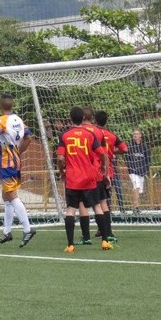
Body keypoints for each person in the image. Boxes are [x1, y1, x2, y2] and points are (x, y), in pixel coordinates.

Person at [0, 93, 36, 248]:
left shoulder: (0, 120)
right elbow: (28, 138)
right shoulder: (18, 120)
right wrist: (18, 151)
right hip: (15, 161)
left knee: (12, 196)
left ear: (0, 106)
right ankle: (7, 232)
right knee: (6, 197)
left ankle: (27, 229)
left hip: (7, 163)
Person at [56, 107, 110, 253]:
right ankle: (105, 241)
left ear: (70, 118)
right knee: (97, 207)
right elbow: (103, 154)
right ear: (83, 119)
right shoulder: (90, 134)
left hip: (73, 179)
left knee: (71, 210)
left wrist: (62, 171)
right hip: (88, 178)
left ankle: (70, 244)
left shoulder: (65, 135)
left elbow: (60, 158)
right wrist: (104, 169)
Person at [93, 110, 127, 242]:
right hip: (109, 172)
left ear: (95, 120)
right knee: (106, 201)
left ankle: (105, 230)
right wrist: (113, 152)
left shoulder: (93, 133)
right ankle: (105, 229)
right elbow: (124, 149)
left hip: (97, 171)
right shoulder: (112, 135)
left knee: (98, 202)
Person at [124, 129, 151, 213]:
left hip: (141, 171)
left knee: (139, 190)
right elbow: (126, 158)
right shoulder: (130, 145)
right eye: (134, 134)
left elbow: (148, 159)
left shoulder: (144, 146)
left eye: (137, 134)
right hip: (133, 171)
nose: (135, 135)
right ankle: (135, 208)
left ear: (140, 135)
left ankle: (136, 206)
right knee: (136, 187)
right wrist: (130, 167)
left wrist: (145, 169)